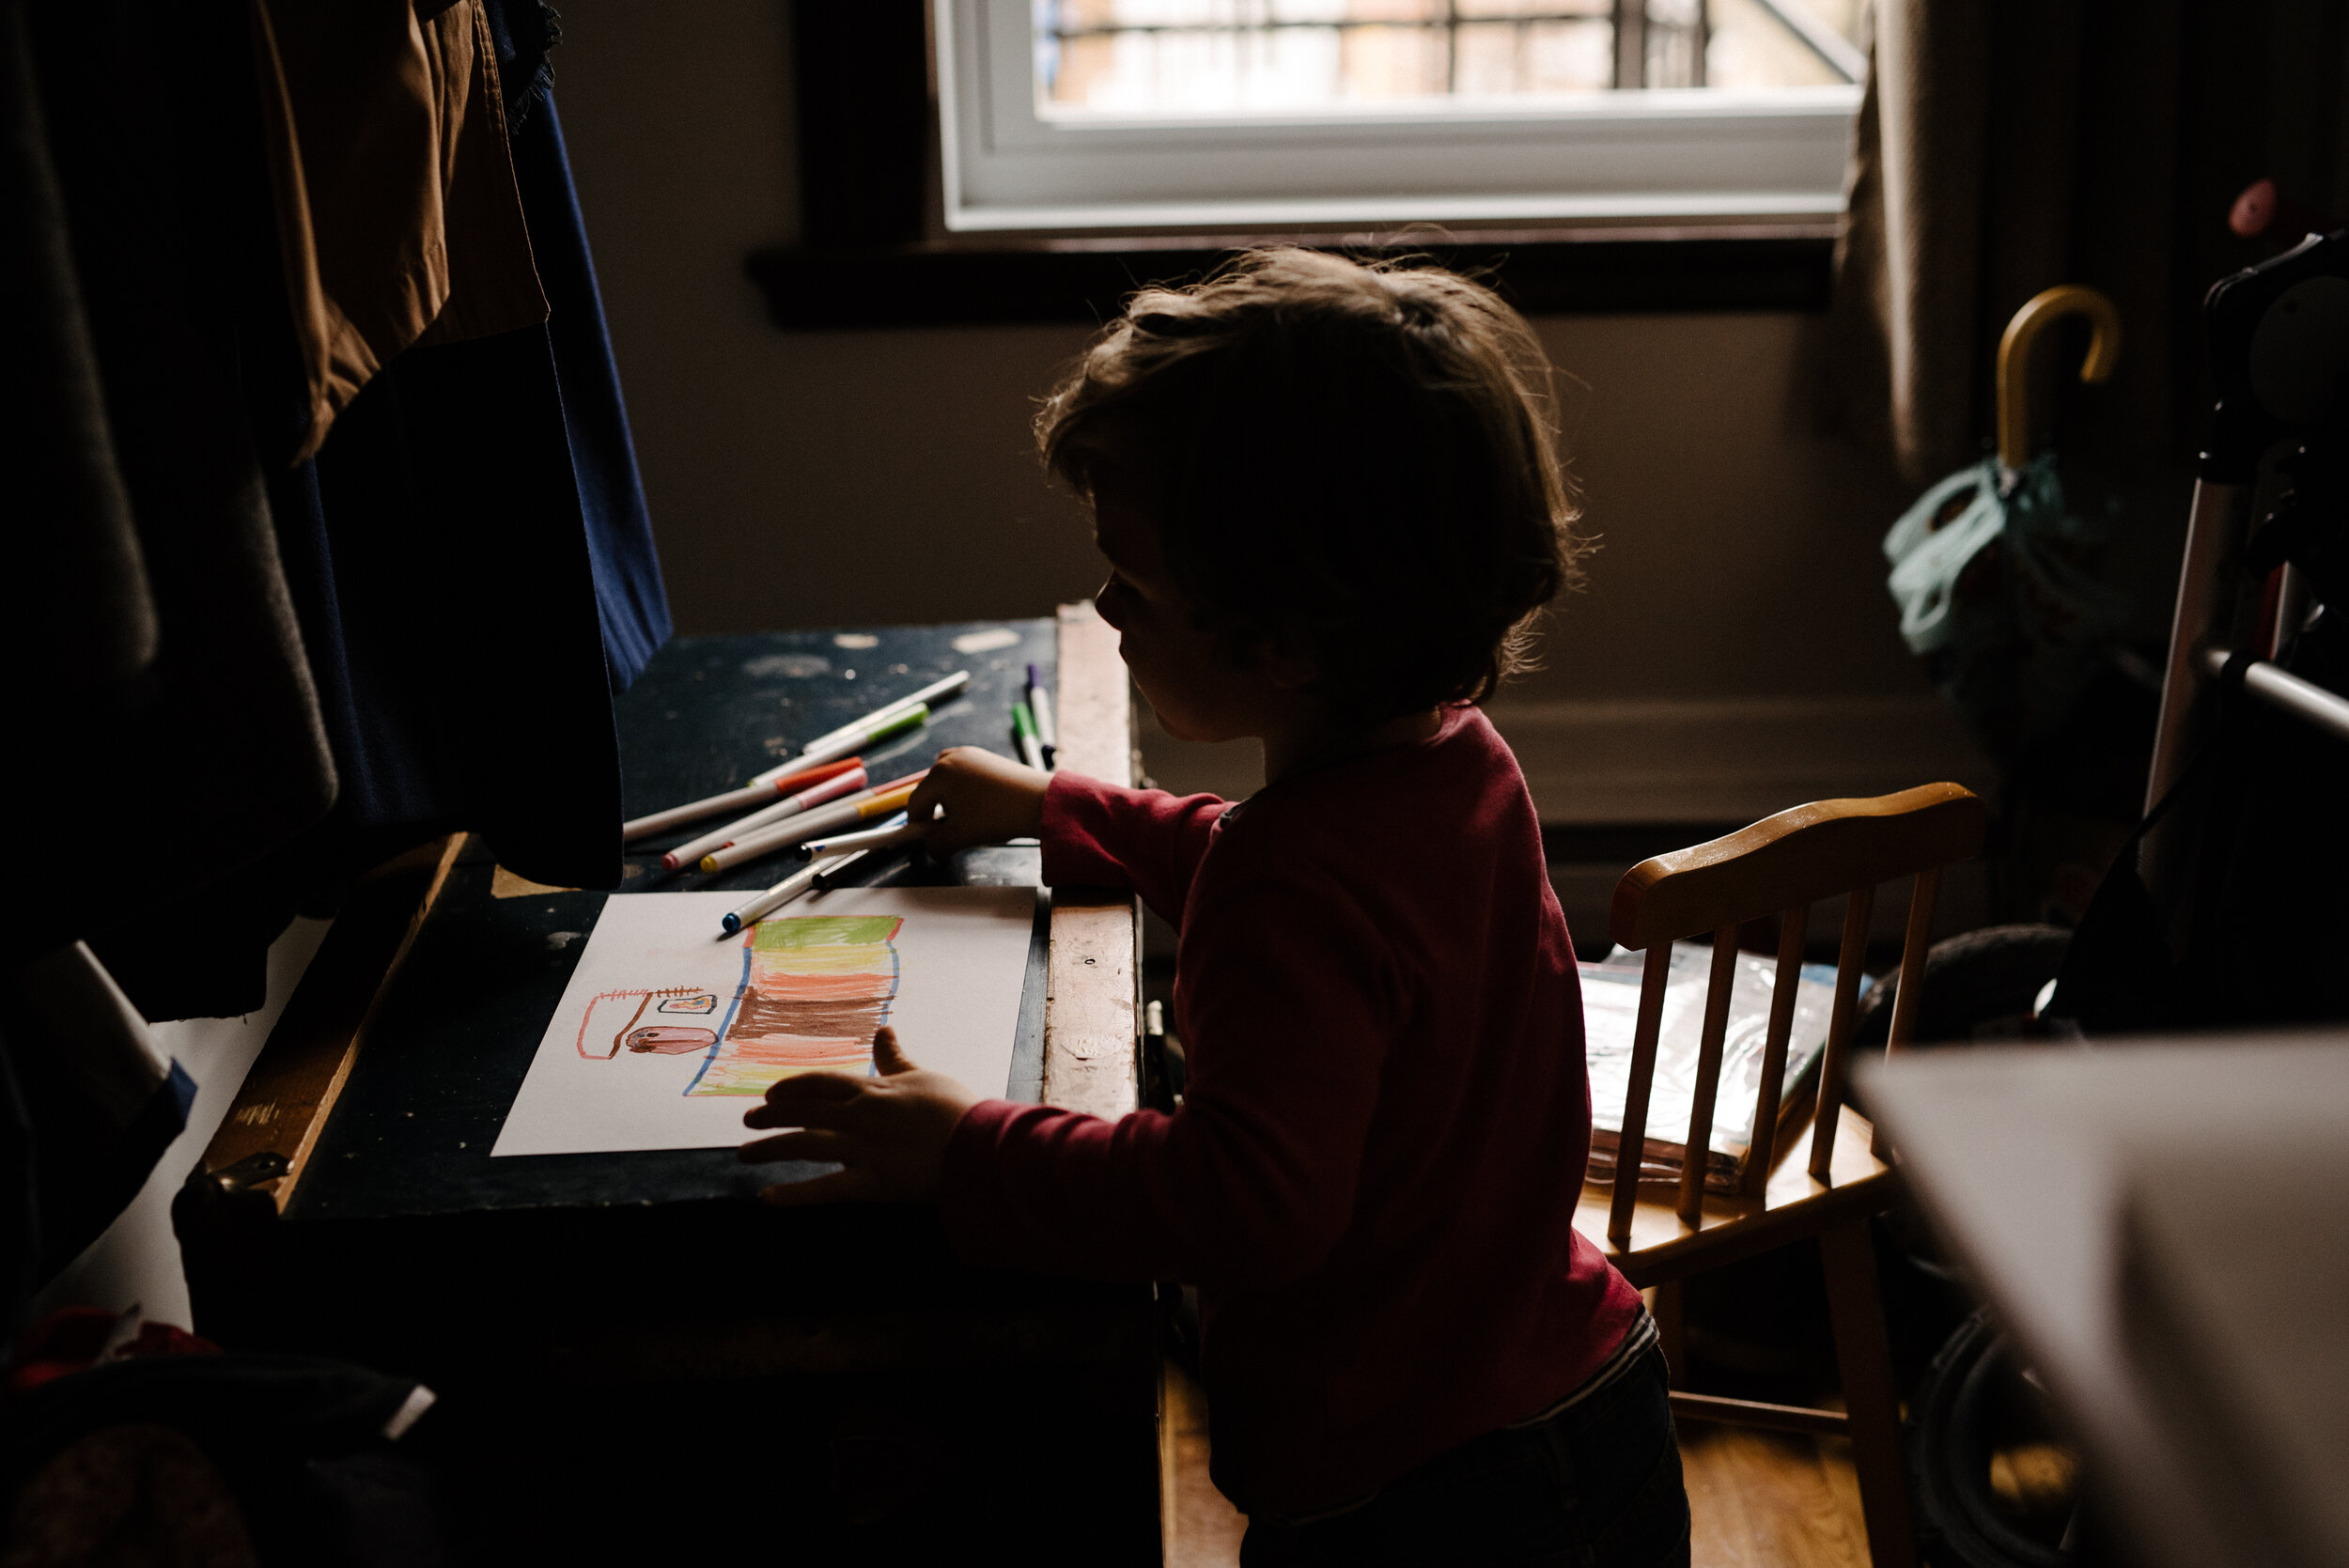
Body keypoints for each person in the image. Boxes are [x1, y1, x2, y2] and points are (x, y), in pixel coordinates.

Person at [739, 249, 1689, 1566]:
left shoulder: (1287, 886)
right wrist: (1063, 809)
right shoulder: (1460, 759)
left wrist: (972, 1147)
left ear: (1286, 639)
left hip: (1417, 1496)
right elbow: (1273, 868)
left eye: (1134, 578)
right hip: (1588, 1401)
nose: (1107, 605)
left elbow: (1245, 1202)